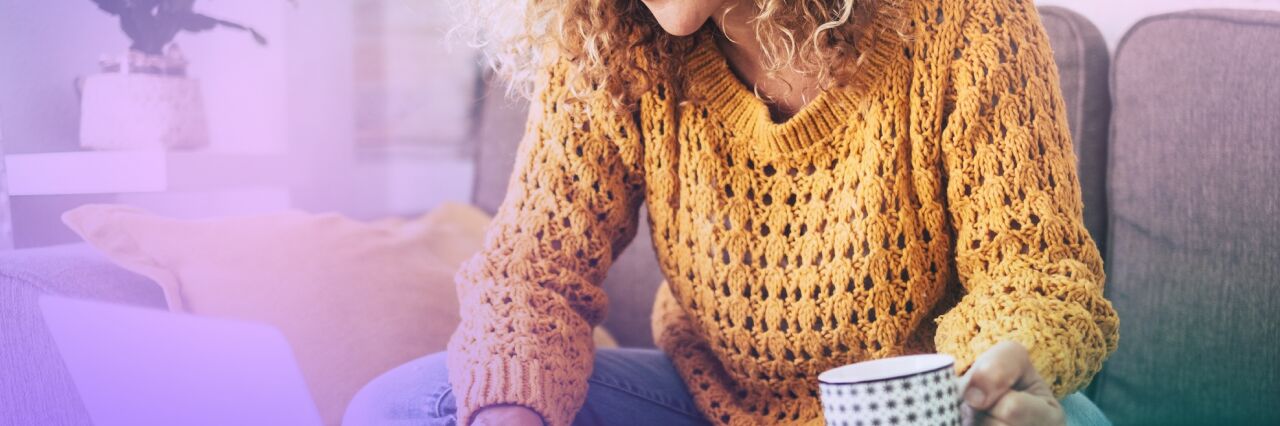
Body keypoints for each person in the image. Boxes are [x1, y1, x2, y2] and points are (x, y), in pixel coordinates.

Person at [346, 0, 1119, 424]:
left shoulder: (965, 20)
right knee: (407, 408)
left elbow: (1035, 272)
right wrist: (511, 412)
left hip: (930, 408)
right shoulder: (612, 41)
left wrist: (974, 390)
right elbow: (532, 273)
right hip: (715, 405)